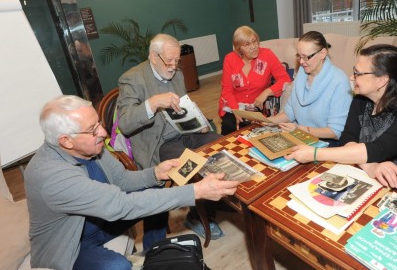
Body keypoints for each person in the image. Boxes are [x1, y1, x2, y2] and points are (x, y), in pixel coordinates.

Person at [24, 95, 239, 270]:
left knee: (155, 189)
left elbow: (122, 180)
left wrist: (154, 174)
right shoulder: (51, 176)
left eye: (98, 123)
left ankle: (153, 253)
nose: (103, 132)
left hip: (101, 219)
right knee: (117, 266)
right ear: (66, 141)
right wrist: (195, 191)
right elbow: (119, 205)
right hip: (74, 243)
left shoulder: (91, 149)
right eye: (92, 129)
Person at [287, 44, 397, 188]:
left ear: (381, 80)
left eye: (358, 73)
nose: (352, 78)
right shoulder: (361, 98)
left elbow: (380, 149)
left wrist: (315, 154)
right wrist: (371, 167)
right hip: (381, 178)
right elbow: (348, 139)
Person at [116, 33, 223, 240]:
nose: (174, 66)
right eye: (169, 61)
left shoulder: (178, 75)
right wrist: (153, 102)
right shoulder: (132, 79)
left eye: (177, 60)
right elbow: (126, 124)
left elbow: (182, 108)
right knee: (193, 164)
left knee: (219, 145)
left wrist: (198, 123)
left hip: (183, 133)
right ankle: (200, 214)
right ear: (153, 57)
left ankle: (205, 207)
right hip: (157, 144)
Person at [266, 31, 352, 147]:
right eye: (299, 56)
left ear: (322, 53)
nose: (301, 62)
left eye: (306, 57)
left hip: (326, 143)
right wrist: (268, 121)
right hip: (299, 136)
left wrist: (300, 130)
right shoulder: (300, 77)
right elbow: (289, 114)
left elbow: (335, 131)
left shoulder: (339, 81)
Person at [219, 25, 292, 135]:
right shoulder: (230, 59)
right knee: (229, 128)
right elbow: (227, 90)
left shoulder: (267, 55)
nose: (253, 47)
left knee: (252, 132)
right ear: (239, 48)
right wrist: (236, 111)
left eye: (255, 41)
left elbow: (285, 79)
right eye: (247, 44)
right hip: (233, 105)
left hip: (254, 107)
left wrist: (266, 92)